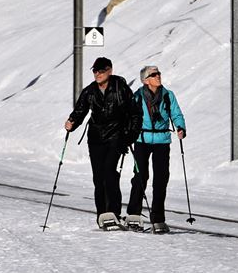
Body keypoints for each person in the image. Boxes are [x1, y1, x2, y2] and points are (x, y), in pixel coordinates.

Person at [65, 57, 140, 231]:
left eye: (101, 70)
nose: (97, 74)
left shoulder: (121, 88)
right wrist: (71, 122)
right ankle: (102, 216)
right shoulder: (89, 91)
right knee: (98, 178)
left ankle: (113, 213)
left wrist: (128, 136)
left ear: (110, 70)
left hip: (116, 136)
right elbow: (80, 110)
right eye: (95, 71)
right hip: (96, 137)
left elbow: (135, 114)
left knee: (109, 173)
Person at [125, 65, 186, 234]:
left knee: (161, 179)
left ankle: (158, 218)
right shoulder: (137, 96)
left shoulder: (168, 95)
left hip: (162, 140)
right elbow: (129, 116)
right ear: (145, 80)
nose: (158, 76)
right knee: (140, 176)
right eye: (153, 74)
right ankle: (133, 215)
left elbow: (176, 113)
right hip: (141, 140)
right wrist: (127, 133)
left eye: (158, 73)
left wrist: (180, 127)